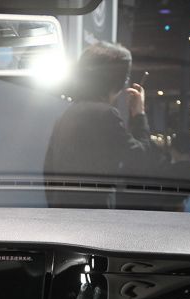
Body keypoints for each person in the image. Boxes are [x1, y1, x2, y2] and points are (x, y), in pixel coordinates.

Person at [44, 42, 163, 206]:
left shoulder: (66, 115)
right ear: (118, 81)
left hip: (63, 213)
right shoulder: (106, 115)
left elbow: (48, 172)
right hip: (95, 215)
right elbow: (140, 159)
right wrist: (139, 113)